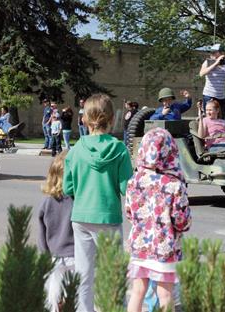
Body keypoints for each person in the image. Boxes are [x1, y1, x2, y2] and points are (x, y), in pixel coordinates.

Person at [63, 93, 133, 312]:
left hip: (81, 216)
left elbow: (67, 188)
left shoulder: (75, 150)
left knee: (84, 274)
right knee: (112, 272)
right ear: (112, 119)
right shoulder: (119, 149)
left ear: (85, 119)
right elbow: (126, 187)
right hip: (108, 217)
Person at [125, 127, 191, 312]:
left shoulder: (134, 181)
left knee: (137, 292)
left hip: (139, 246)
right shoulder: (174, 185)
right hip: (165, 249)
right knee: (165, 295)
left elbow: (129, 213)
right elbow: (182, 221)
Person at [37, 151, 74, 312]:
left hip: (54, 255)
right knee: (78, 295)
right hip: (76, 254)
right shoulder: (77, 200)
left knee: (52, 295)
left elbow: (41, 234)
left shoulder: (47, 203)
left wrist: (44, 255)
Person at [199, 43, 225, 119]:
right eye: (211, 52)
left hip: (221, 97)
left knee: (221, 119)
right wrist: (216, 63)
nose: (212, 54)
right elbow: (201, 74)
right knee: (208, 119)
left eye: (214, 52)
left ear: (222, 53)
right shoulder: (208, 62)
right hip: (209, 95)